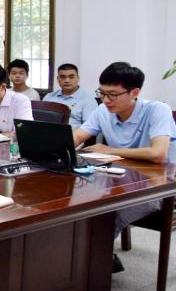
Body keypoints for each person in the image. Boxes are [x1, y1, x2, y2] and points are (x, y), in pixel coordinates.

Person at [73, 62, 176, 273]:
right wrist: (60, 145)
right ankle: (88, 260)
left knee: (106, 215)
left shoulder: (157, 110)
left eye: (113, 94)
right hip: (118, 179)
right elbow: (79, 136)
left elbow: (158, 153)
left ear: (134, 92)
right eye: (102, 93)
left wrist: (109, 150)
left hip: (155, 186)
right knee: (77, 203)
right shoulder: (103, 110)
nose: (106, 100)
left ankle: (93, 266)